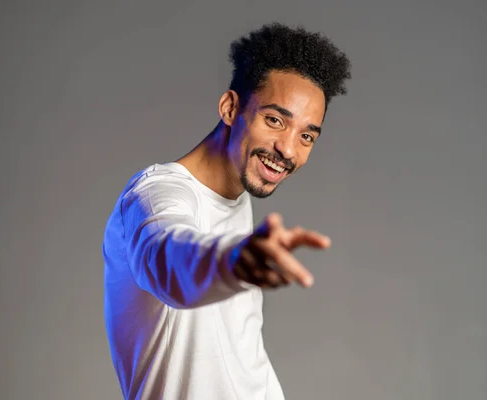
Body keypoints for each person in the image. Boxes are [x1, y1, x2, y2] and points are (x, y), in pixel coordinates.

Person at [102, 22, 351, 399]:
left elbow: (238, 357)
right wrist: (233, 262)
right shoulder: (155, 195)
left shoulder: (238, 199)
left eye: (306, 136)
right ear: (230, 108)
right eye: (275, 120)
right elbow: (169, 259)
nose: (288, 149)